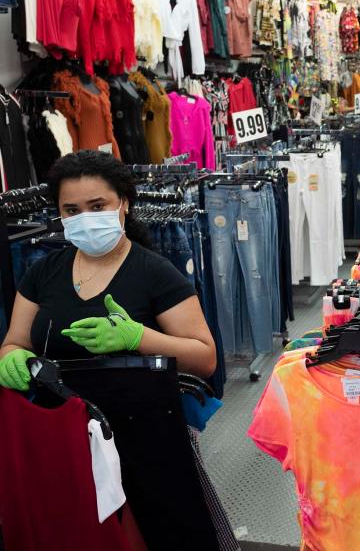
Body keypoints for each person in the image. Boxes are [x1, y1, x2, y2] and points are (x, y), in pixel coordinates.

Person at [0, 151, 217, 391]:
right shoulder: (42, 271)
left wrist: (138, 337)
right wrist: (11, 358)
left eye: (97, 206)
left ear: (123, 202)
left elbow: (205, 359)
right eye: (72, 210)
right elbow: (14, 343)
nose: (86, 219)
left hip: (135, 418)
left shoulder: (156, 273)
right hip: (57, 419)